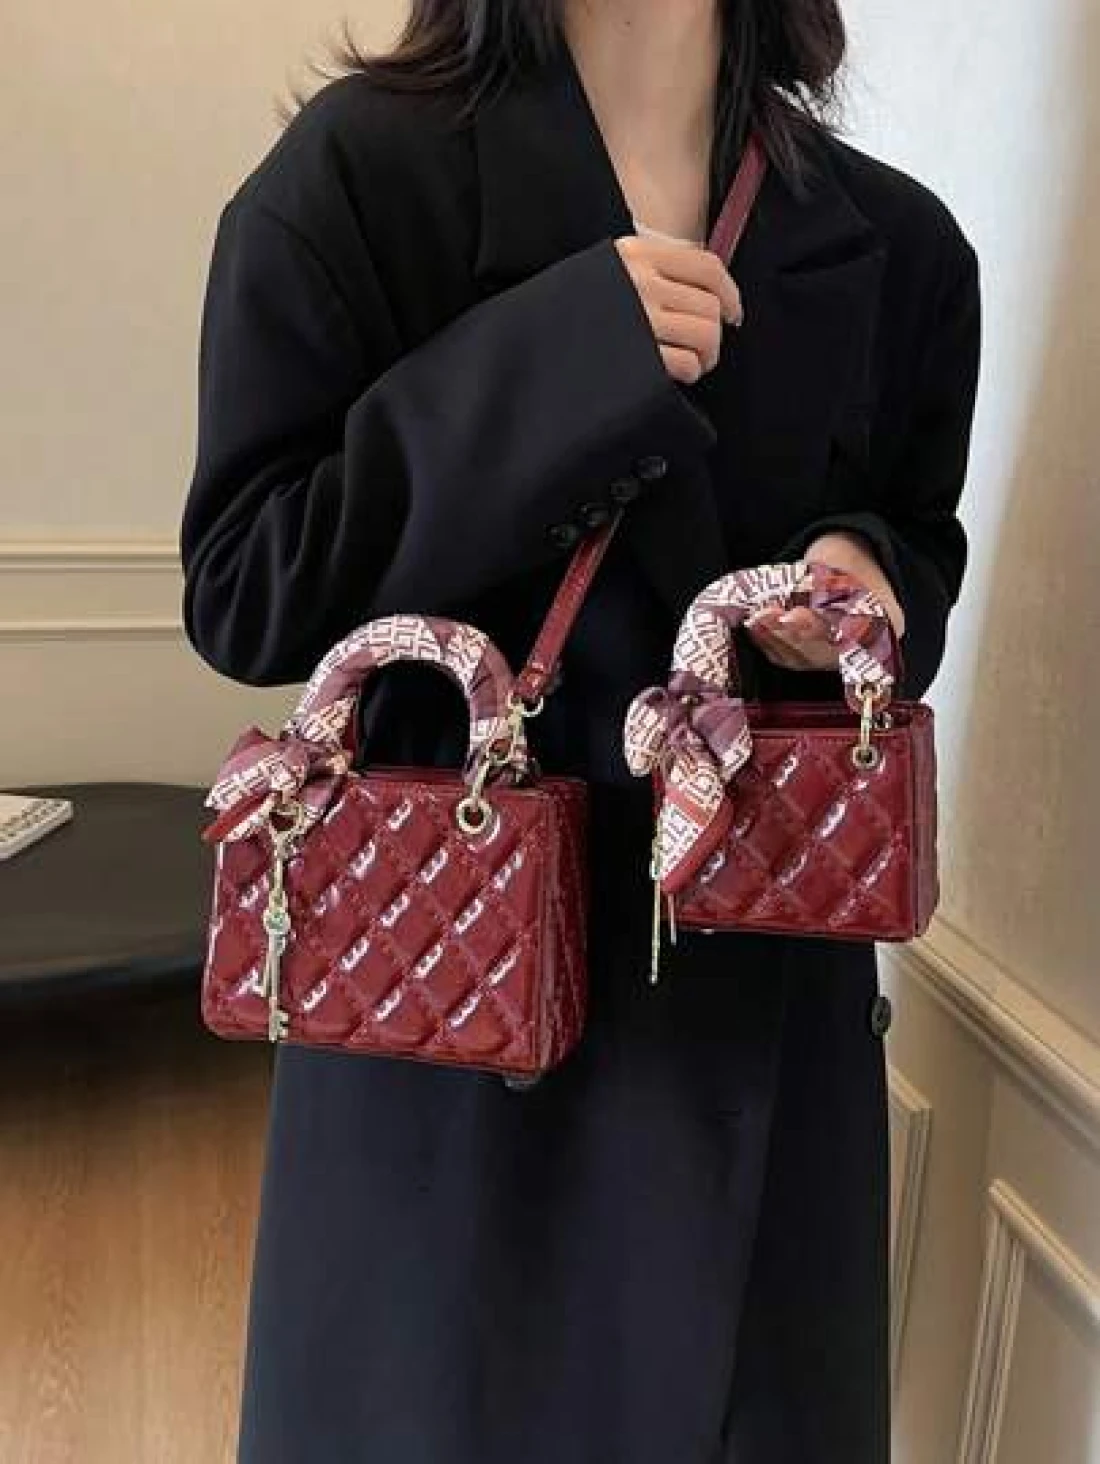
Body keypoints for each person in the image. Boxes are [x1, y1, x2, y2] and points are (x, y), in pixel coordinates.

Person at [179, 1, 981, 1459]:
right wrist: (557, 363)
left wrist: (865, 575)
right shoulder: (359, 177)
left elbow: (918, 531)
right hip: (446, 1004)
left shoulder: (900, 244)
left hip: (752, 1009)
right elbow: (249, 586)